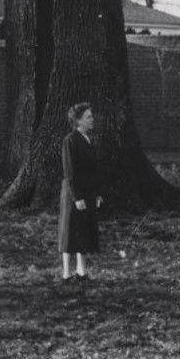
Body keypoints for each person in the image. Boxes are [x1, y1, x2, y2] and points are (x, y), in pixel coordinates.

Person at [58, 102, 103, 281]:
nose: (92, 120)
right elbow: (69, 172)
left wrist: (97, 193)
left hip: (88, 192)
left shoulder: (88, 140)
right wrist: (76, 197)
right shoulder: (70, 140)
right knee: (70, 232)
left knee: (83, 230)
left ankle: (82, 271)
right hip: (73, 193)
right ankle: (66, 273)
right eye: (88, 117)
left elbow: (94, 170)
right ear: (78, 121)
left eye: (92, 116)